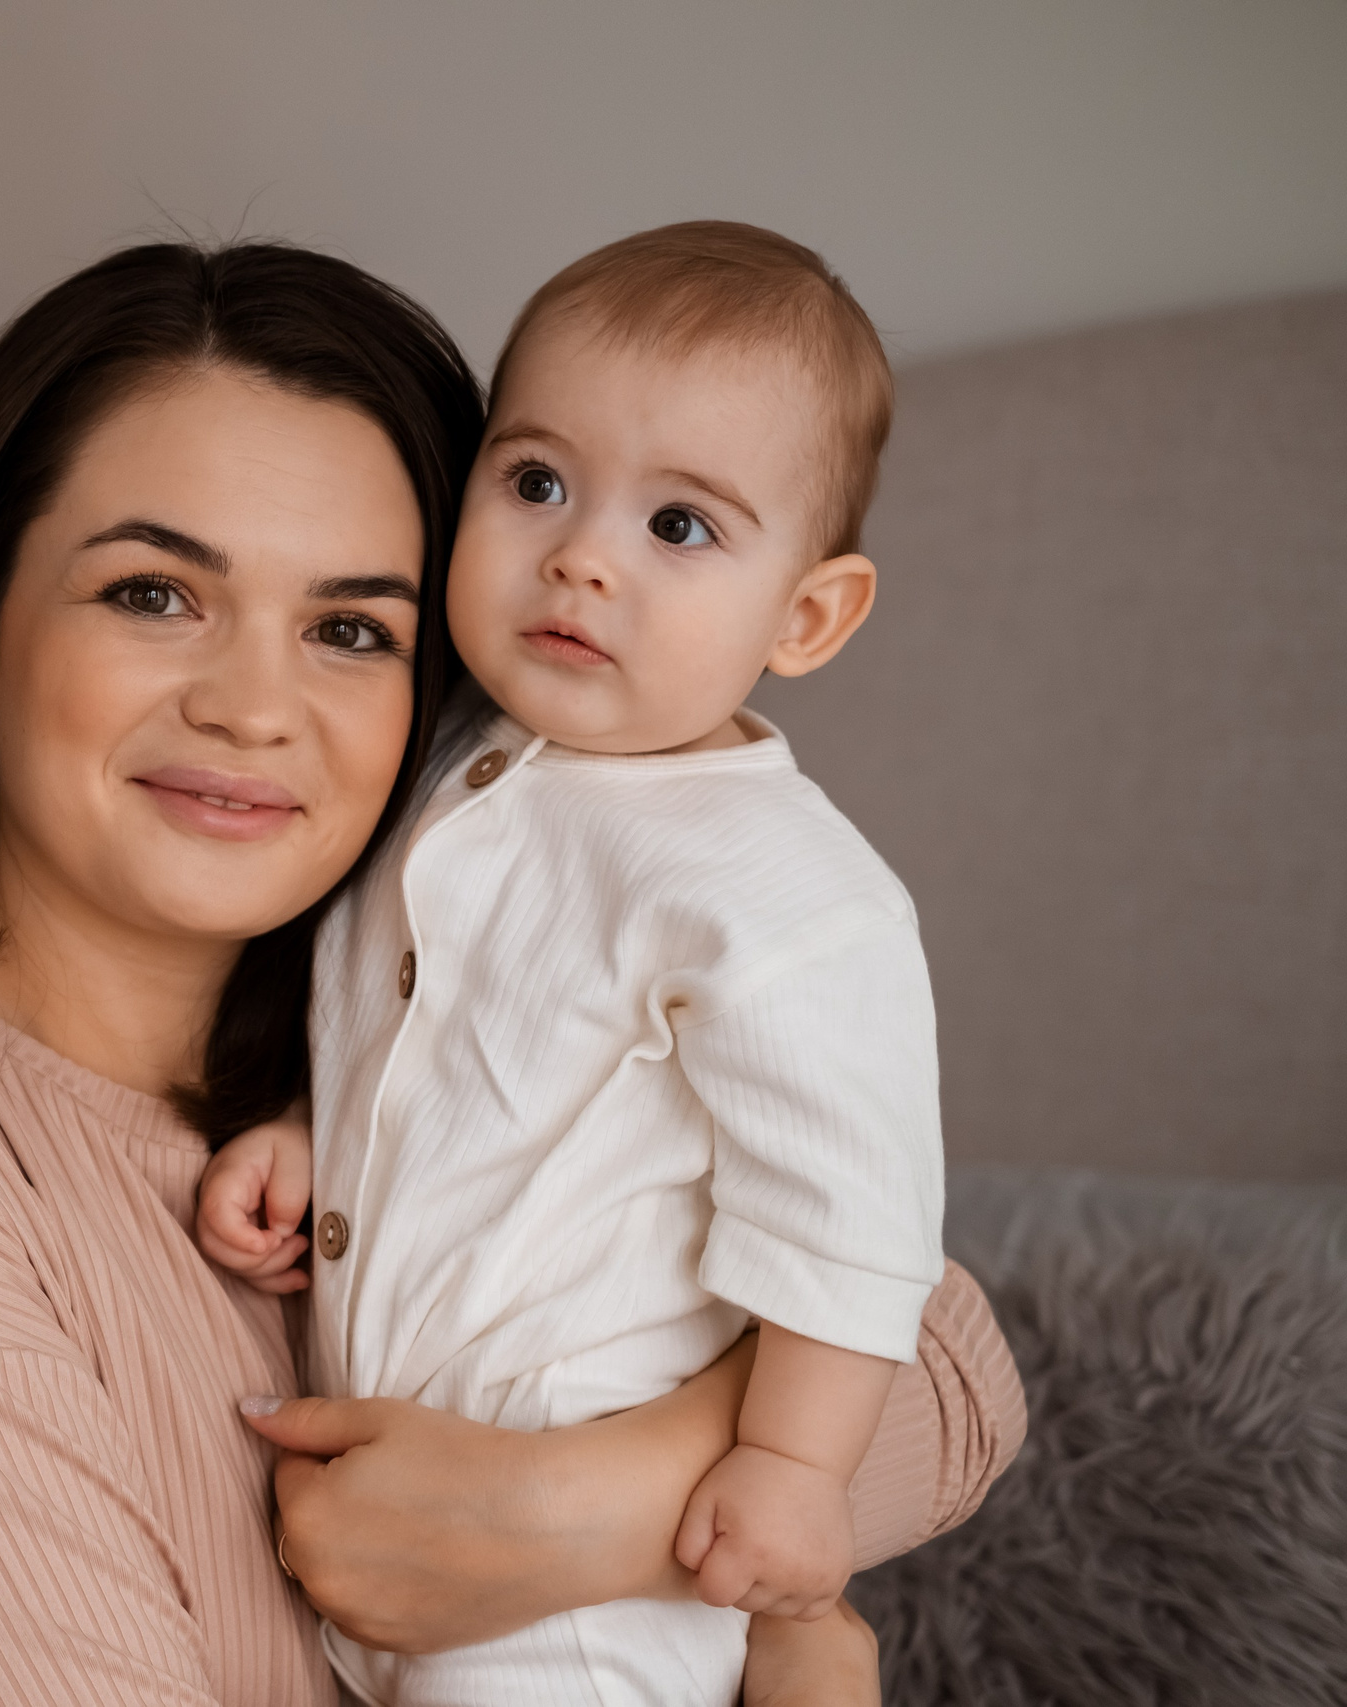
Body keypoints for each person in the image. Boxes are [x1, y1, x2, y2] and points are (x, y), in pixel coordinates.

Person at [0, 241, 1025, 1707]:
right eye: (153, 594)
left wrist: (559, 1517)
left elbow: (953, 1358)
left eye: (349, 630)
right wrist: (712, 1524)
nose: (254, 708)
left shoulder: (416, 1062)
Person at [194, 222, 960, 1705]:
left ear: (806, 615)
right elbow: (437, 1041)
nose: (581, 556)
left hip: (580, 1581)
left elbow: (852, 1217)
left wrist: (794, 1467)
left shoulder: (786, 890)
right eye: (537, 482)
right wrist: (309, 1130)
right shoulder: (443, 762)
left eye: (679, 526)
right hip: (391, 1508)